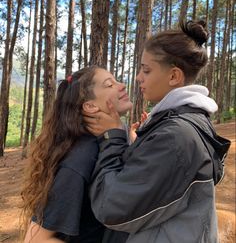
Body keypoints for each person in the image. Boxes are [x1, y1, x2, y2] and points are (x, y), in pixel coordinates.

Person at [84, 20, 231, 243]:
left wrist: (112, 136)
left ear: (173, 76)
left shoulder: (175, 135)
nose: (138, 77)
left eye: (146, 70)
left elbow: (112, 207)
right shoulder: (187, 121)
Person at [21, 66, 133, 243]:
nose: (122, 85)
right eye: (110, 84)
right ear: (90, 106)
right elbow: (35, 240)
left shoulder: (108, 142)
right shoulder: (82, 157)